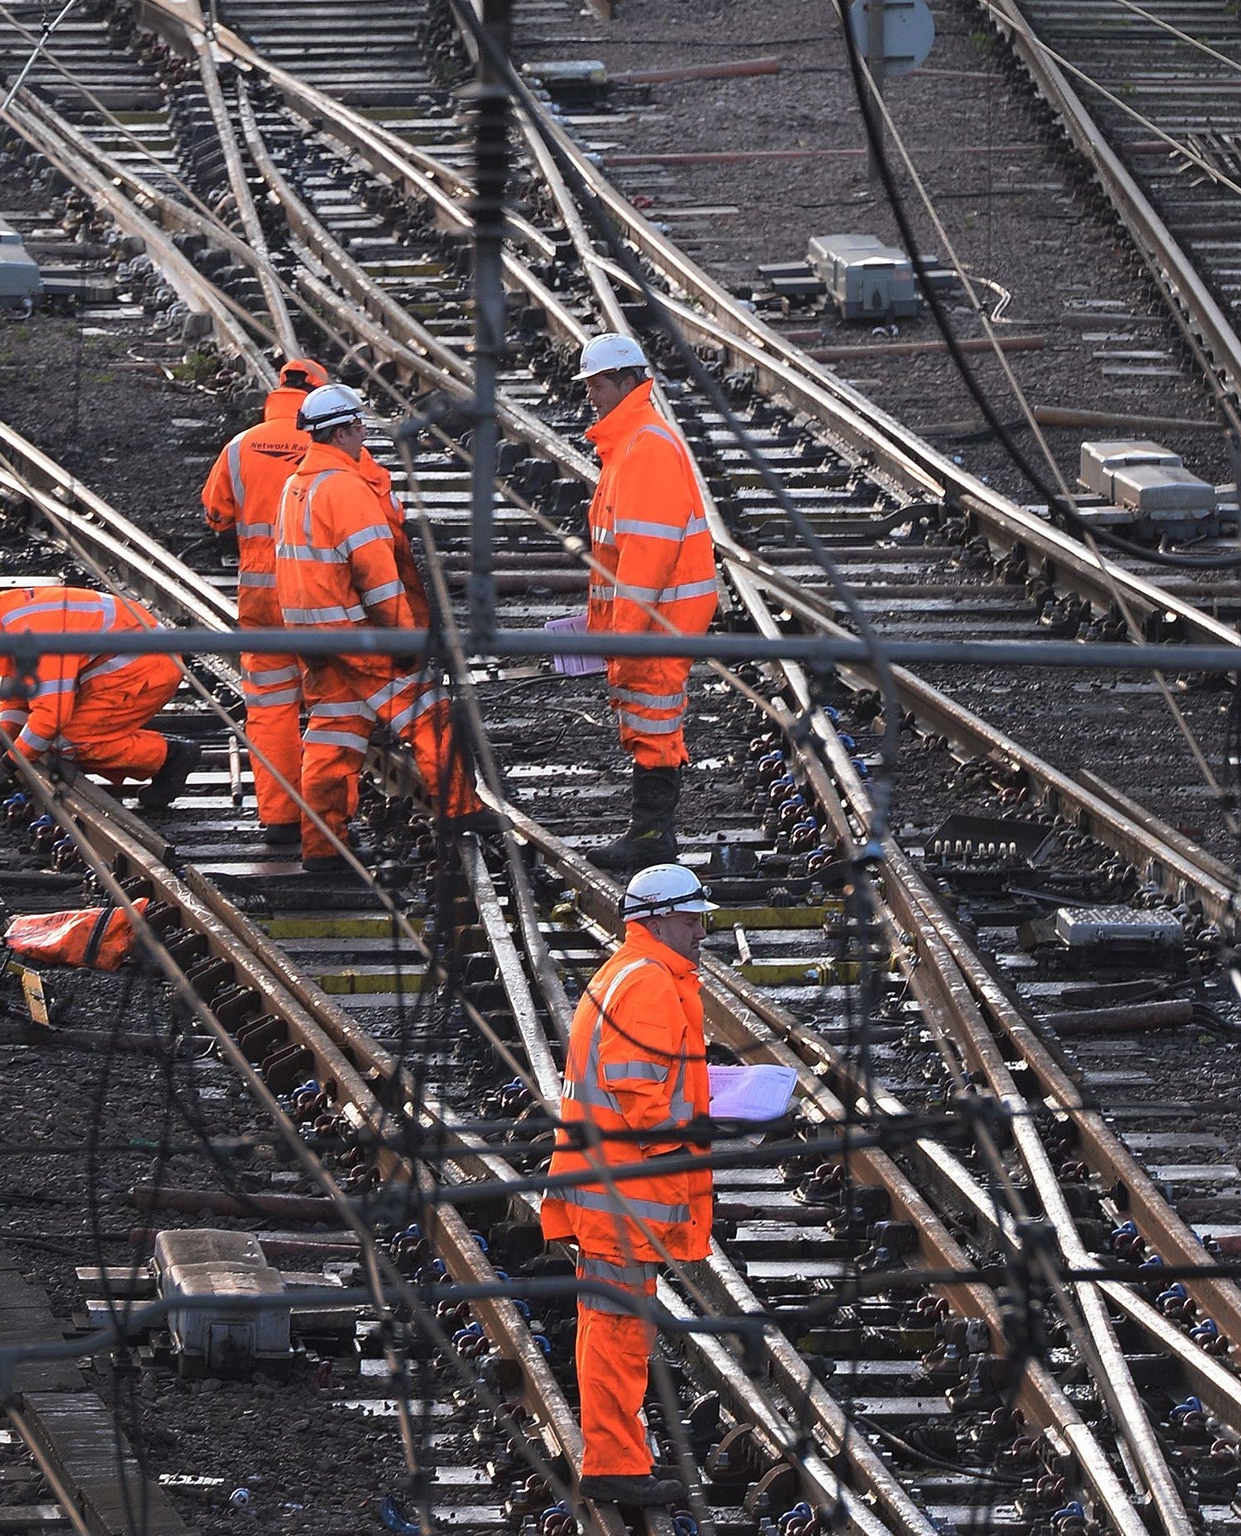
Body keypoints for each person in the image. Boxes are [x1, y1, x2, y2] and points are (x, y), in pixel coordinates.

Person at [541, 862, 714, 1508]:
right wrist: (676, 1151)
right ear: (657, 918)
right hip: (624, 1196)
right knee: (618, 1331)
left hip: (608, 1191)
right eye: (693, 918)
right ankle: (615, 1465)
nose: (702, 930)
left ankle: (618, 1456)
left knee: (610, 1326)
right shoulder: (648, 984)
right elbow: (638, 1085)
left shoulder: (632, 975)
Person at [273, 383, 486, 871]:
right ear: (345, 430)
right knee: (428, 716)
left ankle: (323, 846)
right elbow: (377, 576)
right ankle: (460, 811)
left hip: (313, 636)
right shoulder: (346, 488)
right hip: (359, 634)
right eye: (359, 428)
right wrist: (404, 638)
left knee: (333, 737)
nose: (363, 436)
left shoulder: (297, 485)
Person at [576, 333, 719, 872]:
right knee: (651, 722)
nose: (591, 394)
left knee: (656, 723)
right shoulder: (631, 442)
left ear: (626, 382)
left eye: (598, 383)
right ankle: (650, 830)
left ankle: (653, 835)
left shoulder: (646, 447)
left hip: (659, 618)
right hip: (652, 617)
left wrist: (626, 635)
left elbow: (647, 558)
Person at [201, 357, 331, 845]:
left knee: (271, 708)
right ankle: (325, 818)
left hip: (260, 596)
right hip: (318, 595)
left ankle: (278, 816)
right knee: (329, 705)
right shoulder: (331, 441)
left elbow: (216, 514)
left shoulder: (240, 446)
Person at [0, 584, 200, 806]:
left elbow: (50, 718)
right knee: (53, 741)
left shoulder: (29, 633)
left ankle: (170, 757)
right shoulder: (7, 617)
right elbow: (17, 696)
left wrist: (9, 764)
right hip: (119, 667)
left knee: (71, 741)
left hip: (144, 668)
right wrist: (2, 742)